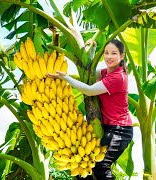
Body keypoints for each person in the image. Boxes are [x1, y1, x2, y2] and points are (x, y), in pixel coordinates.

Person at [47, 39, 133, 180]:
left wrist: (66, 78)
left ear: (122, 56)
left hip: (120, 130)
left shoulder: (119, 77)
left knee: (101, 164)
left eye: (114, 53)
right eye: (106, 53)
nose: (109, 57)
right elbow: (89, 72)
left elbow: (89, 90)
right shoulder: (107, 72)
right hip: (106, 126)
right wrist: (92, 51)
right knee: (84, 166)